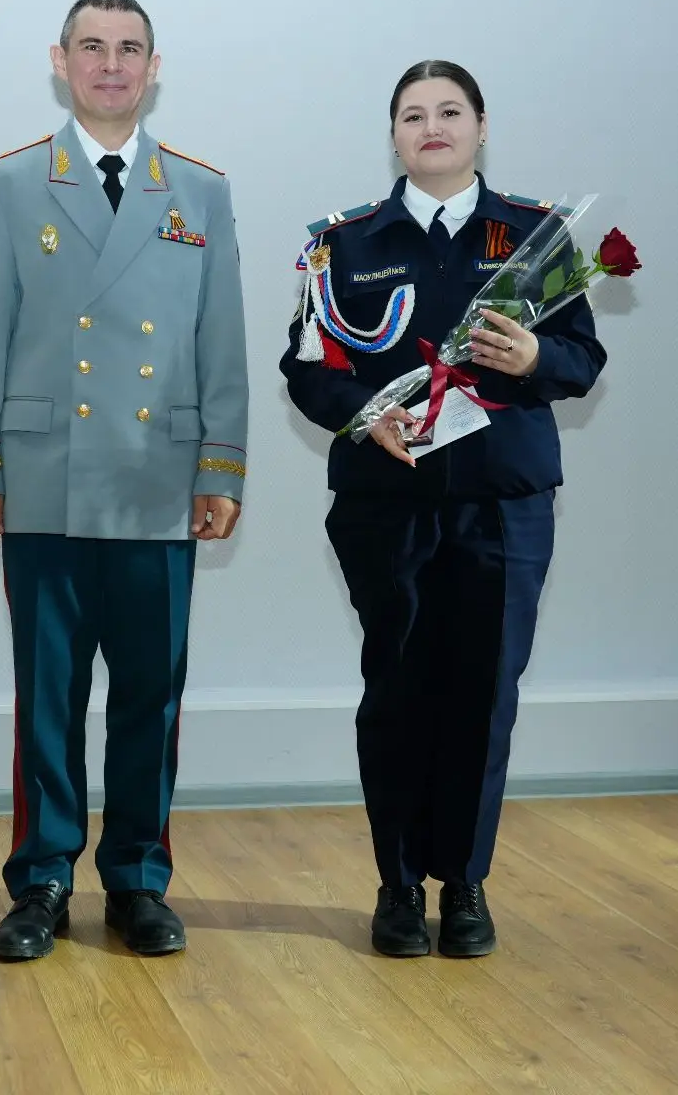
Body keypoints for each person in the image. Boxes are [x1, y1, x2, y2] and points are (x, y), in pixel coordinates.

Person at [278, 60, 605, 958]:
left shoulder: (535, 235)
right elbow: (306, 368)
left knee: (483, 694)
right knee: (397, 691)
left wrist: (535, 358)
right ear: (393, 136)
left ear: (481, 126)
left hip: (504, 503)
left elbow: (583, 361)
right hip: (387, 504)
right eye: (414, 115)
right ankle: (396, 885)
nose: (433, 128)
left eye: (450, 111)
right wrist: (363, 414)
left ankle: (464, 884)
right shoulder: (343, 244)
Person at [0, 0, 249, 961]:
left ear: (154, 68)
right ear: (60, 60)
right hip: (46, 475)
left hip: (157, 481)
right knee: (48, 696)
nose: (110, 64)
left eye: (129, 49)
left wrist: (221, 465)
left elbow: (221, 340)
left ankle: (137, 879)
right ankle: (42, 878)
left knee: (150, 696)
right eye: (92, 46)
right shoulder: (9, 184)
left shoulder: (200, 191)